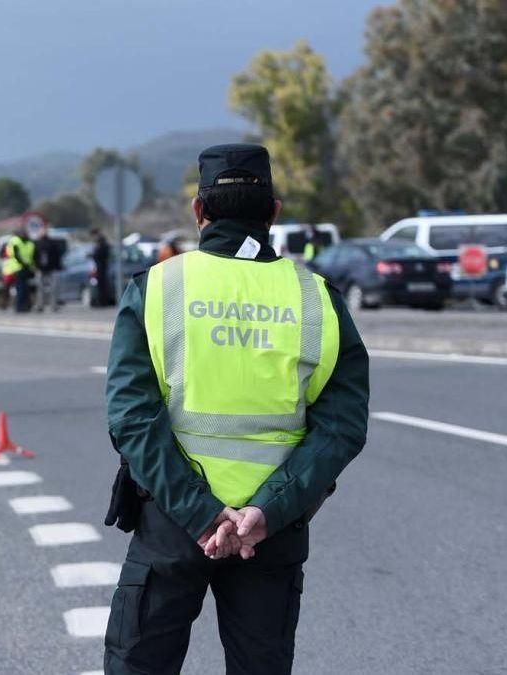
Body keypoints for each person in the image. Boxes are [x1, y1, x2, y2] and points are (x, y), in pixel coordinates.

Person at [101, 144, 370, 674]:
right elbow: (341, 427)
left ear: (199, 212)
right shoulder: (317, 298)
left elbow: (131, 418)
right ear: (273, 213)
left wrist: (203, 516)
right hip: (271, 532)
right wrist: (265, 513)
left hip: (172, 526)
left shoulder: (157, 288)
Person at [33, 224, 66, 312]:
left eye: (45, 230)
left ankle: (53, 305)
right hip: (40, 268)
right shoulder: (36, 243)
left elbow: (57, 256)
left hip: (52, 268)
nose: (43, 232)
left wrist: (58, 266)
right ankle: (40, 306)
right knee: (40, 288)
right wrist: (35, 266)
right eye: (41, 231)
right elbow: (34, 256)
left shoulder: (52, 243)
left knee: (54, 288)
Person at [2, 227, 35, 313]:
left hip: (22, 268)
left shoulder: (25, 242)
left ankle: (24, 306)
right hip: (18, 268)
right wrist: (24, 264)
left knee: (23, 288)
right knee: (21, 288)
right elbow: (16, 255)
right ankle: (20, 306)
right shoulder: (16, 241)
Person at [89, 229, 112, 307]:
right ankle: (101, 301)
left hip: (101, 266)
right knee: (100, 284)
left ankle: (102, 301)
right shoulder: (101, 242)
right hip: (100, 266)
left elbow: (101, 254)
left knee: (102, 285)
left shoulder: (102, 242)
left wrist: (93, 255)